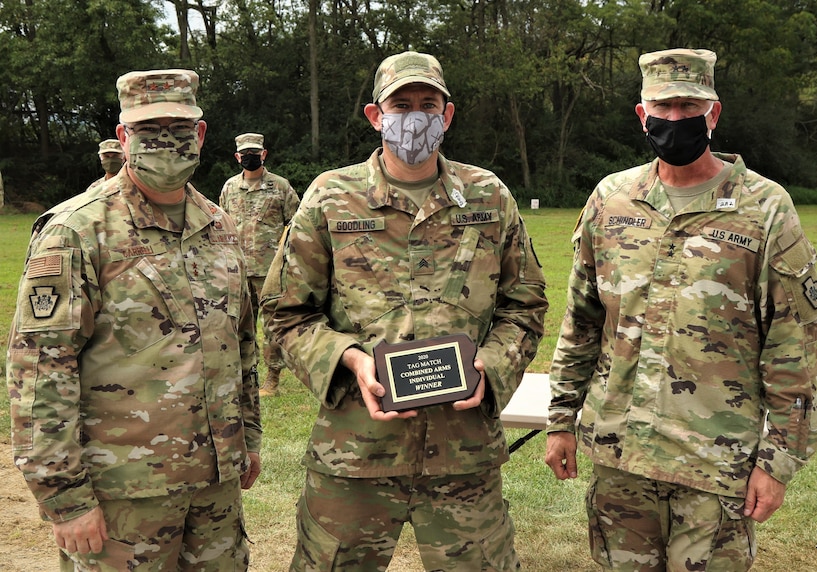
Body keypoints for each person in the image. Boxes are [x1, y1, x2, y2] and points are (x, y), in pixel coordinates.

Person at [260, 50, 548, 571]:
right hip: (354, 455)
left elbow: (524, 304)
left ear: (447, 115)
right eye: (400, 104)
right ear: (376, 116)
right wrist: (350, 359)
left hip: (464, 459)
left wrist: (493, 367)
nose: (414, 116)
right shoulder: (330, 197)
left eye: (427, 104)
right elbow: (286, 313)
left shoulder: (489, 196)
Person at [544, 48, 817, 571]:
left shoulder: (764, 209)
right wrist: (561, 419)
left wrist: (779, 462)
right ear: (642, 113)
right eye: (664, 106)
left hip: (714, 467)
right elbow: (582, 319)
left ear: (713, 114)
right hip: (620, 458)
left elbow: (795, 348)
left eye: (689, 106)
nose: (675, 119)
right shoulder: (612, 200)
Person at [6, 68, 262, 571]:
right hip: (123, 492)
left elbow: (242, 344)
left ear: (201, 134)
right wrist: (65, 498)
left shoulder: (219, 225)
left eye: (179, 128)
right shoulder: (77, 231)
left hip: (216, 488)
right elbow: (40, 371)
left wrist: (247, 439)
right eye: (148, 130)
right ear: (124, 137)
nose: (166, 141)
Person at [219, 132, 300, 397]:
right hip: (238, 269)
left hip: (270, 272)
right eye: (245, 154)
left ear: (264, 155)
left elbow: (296, 226)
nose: (250, 158)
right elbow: (221, 228)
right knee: (240, 326)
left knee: (271, 327)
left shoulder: (280, 187)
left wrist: (288, 261)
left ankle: (272, 380)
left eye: (255, 153)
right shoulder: (230, 188)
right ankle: (244, 377)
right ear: (237, 157)